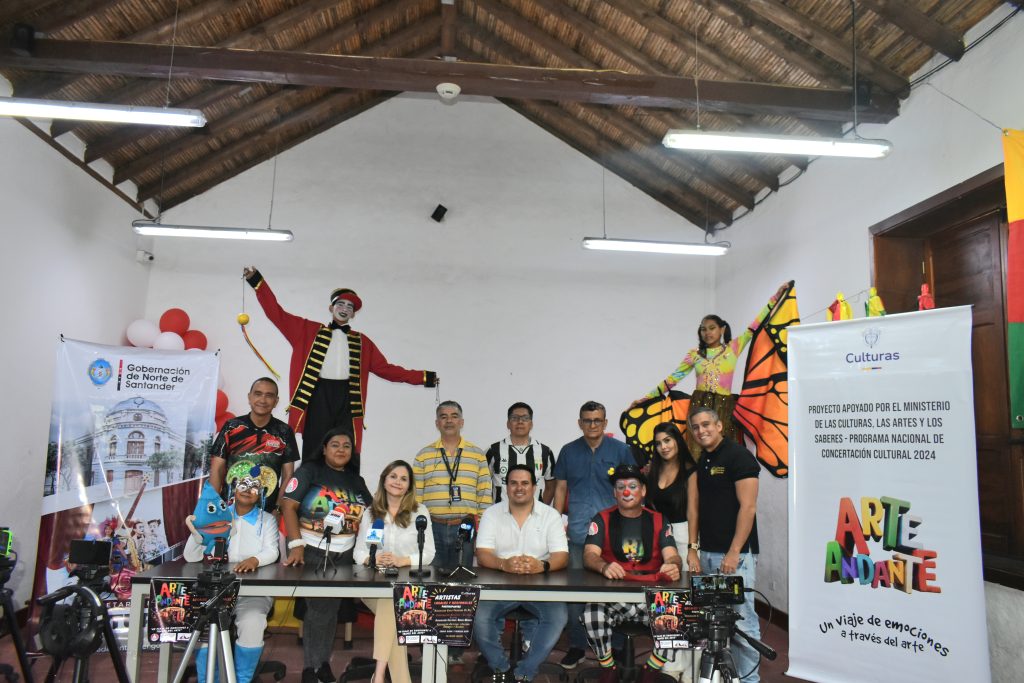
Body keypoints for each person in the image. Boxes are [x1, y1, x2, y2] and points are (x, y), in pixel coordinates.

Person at [243, 266, 438, 461]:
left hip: (348, 399)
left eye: (350, 307)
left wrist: (423, 378)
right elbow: (276, 313)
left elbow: (387, 370)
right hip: (317, 396)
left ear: (353, 314)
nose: (345, 309)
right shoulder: (306, 330)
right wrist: (257, 282)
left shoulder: (363, 342)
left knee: (347, 450)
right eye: (341, 304)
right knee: (314, 448)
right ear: (331, 308)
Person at [634, 283, 788, 459]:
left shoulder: (733, 348)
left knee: (725, 451)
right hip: (699, 405)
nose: (707, 333)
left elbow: (755, 325)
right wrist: (645, 399)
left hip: (725, 406)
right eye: (703, 329)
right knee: (697, 451)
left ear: (722, 329)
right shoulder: (695, 355)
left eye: (712, 328)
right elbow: (672, 380)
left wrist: (776, 297)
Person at [280, 428, 372, 683]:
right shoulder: (309, 472)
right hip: (312, 550)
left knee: (330, 610)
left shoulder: (356, 480)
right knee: (319, 609)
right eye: (335, 444)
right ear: (324, 448)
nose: (341, 449)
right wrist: (296, 544)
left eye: (346, 445)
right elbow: (288, 505)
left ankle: (320, 664)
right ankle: (312, 667)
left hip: (345, 554)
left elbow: (373, 512)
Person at [551, 401, 636, 670]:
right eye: (587, 420)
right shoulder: (568, 451)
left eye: (597, 420)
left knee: (615, 591)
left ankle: (617, 647)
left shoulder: (621, 451)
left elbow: (632, 490)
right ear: (580, 423)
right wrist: (555, 525)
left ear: (605, 422)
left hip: (613, 536)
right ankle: (577, 646)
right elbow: (560, 489)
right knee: (575, 594)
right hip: (578, 534)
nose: (592, 425)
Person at [581, 465, 682, 683]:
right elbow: (589, 555)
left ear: (643, 491)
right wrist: (603, 566)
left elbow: (673, 556)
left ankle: (651, 669)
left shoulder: (659, 520)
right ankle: (608, 667)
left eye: (633, 486)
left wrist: (673, 565)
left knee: (675, 611)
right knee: (591, 612)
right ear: (614, 493)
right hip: (614, 597)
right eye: (621, 487)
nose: (626, 491)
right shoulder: (601, 519)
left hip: (650, 597)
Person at [413, 400, 492, 665]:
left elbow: (484, 496)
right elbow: (416, 498)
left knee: (460, 588)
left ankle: (455, 649)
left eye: (454, 416)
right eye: (443, 416)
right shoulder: (424, 455)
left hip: (464, 528)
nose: (449, 420)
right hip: (433, 527)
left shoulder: (477, 455)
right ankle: (429, 645)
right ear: (437, 423)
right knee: (430, 586)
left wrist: (482, 531)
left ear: (462, 422)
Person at [473, 464, 569, 683]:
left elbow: (562, 556)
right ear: (506, 487)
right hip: (499, 585)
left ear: (535, 487)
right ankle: (500, 667)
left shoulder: (550, 515)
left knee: (558, 617)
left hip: (541, 586)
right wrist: (502, 564)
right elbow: (483, 554)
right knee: (479, 616)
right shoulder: (491, 514)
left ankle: (526, 670)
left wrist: (542, 566)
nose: (519, 488)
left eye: (525, 483)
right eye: (513, 483)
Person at [687, 406, 762, 683]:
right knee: (712, 622)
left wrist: (733, 552)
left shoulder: (739, 456)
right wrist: (693, 549)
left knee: (742, 624)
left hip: (735, 557)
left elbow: (748, 508)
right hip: (708, 553)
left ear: (719, 426)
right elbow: (696, 509)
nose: (701, 430)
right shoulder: (704, 460)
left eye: (706, 424)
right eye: (696, 427)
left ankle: (750, 680)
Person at [184, 468, 280, 683]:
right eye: (243, 484)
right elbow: (190, 556)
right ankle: (209, 679)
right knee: (204, 625)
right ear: (233, 488)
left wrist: (255, 560)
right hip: (214, 591)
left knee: (253, 621)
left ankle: (242, 679)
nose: (247, 490)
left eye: (254, 487)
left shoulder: (266, 520)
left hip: (252, 592)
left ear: (261, 493)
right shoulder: (217, 515)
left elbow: (272, 551)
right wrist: (197, 529)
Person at [353, 461, 433, 683]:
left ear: (409, 485)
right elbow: (358, 552)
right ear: (384, 480)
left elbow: (428, 553)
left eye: (404, 479)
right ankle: (382, 675)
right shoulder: (371, 513)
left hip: (408, 587)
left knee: (393, 603)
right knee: (392, 604)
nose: (398, 482)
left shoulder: (420, 512)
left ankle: (379, 675)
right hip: (374, 585)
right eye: (393, 476)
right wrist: (373, 558)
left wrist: (401, 561)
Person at [209, 377, 299, 512]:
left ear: (276, 401)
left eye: (269, 395)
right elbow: (217, 469)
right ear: (249, 397)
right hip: (228, 509)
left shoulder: (284, 431)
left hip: (266, 512)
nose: (263, 400)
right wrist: (213, 505)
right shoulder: (231, 427)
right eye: (258, 394)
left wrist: (278, 509)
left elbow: (288, 475)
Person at [485, 402, 556, 505]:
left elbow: (551, 486)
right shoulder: (493, 451)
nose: (520, 422)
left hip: (535, 514)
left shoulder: (545, 452)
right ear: (508, 424)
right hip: (500, 513)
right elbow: (482, 484)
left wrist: (540, 509)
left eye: (525, 418)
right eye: (514, 418)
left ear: (531, 424)